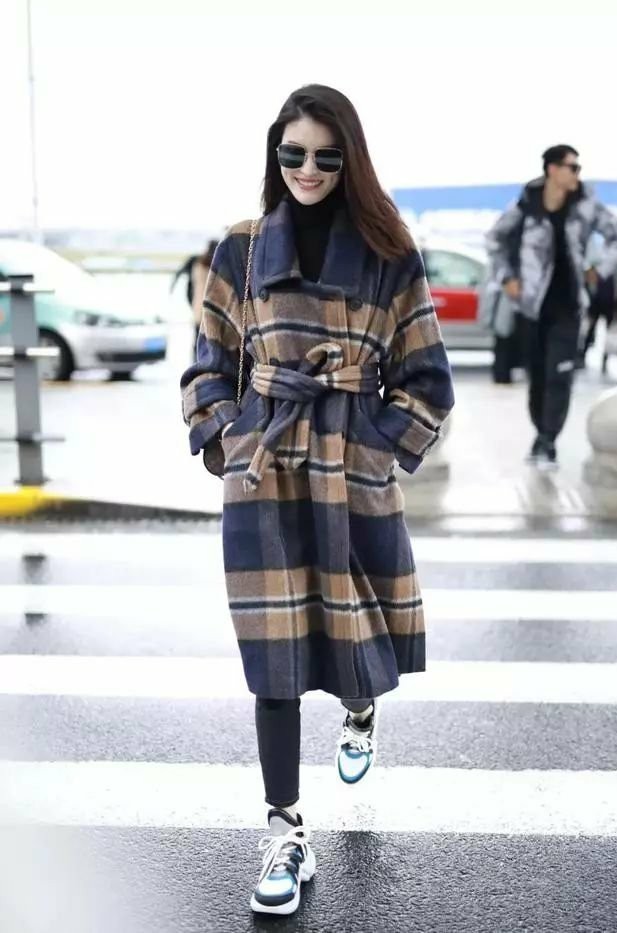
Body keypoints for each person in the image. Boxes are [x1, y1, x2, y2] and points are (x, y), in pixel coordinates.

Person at [180, 84, 454, 916]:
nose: (308, 169)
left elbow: (428, 379)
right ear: (275, 154)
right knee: (273, 660)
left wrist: (376, 445)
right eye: (293, 152)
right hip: (264, 469)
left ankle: (361, 708)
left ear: (350, 161)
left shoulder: (388, 252)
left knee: (353, 639)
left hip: (349, 468)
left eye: (327, 156)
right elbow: (206, 362)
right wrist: (224, 435)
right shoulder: (239, 248)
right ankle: (284, 831)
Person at [487, 145, 617, 469]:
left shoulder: (586, 205)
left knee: (559, 376)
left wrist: (599, 270)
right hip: (531, 308)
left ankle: (548, 441)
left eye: (578, 168)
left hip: (569, 307)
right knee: (537, 377)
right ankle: (540, 434)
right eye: (572, 167)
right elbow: (494, 239)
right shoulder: (526, 204)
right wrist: (507, 277)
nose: (577, 174)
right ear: (552, 169)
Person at [170, 239, 219, 359]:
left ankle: (197, 361)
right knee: (209, 342)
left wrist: (172, 288)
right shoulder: (215, 265)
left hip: (199, 307)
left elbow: (180, 275)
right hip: (209, 309)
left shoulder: (197, 262)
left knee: (199, 340)